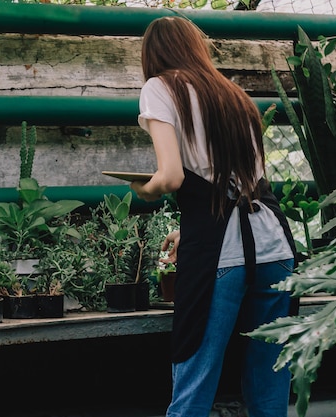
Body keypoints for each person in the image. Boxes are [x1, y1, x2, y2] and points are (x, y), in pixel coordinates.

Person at [130, 16, 297, 417]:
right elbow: (243, 186)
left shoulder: (159, 87)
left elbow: (170, 176)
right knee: (270, 381)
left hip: (223, 258)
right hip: (276, 249)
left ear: (152, 55)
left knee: (195, 378)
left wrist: (144, 188)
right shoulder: (233, 94)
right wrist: (192, 231)